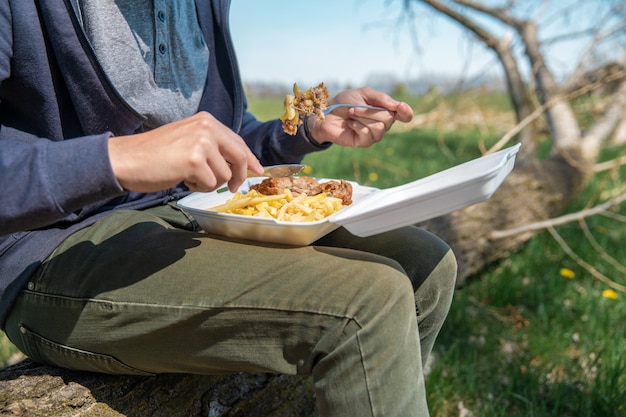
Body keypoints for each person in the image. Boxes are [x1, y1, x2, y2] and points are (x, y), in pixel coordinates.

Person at [0, 1, 457, 416]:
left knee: (425, 264)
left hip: (193, 212)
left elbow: (220, 135)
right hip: (55, 247)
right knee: (370, 300)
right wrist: (117, 159)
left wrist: (309, 127)